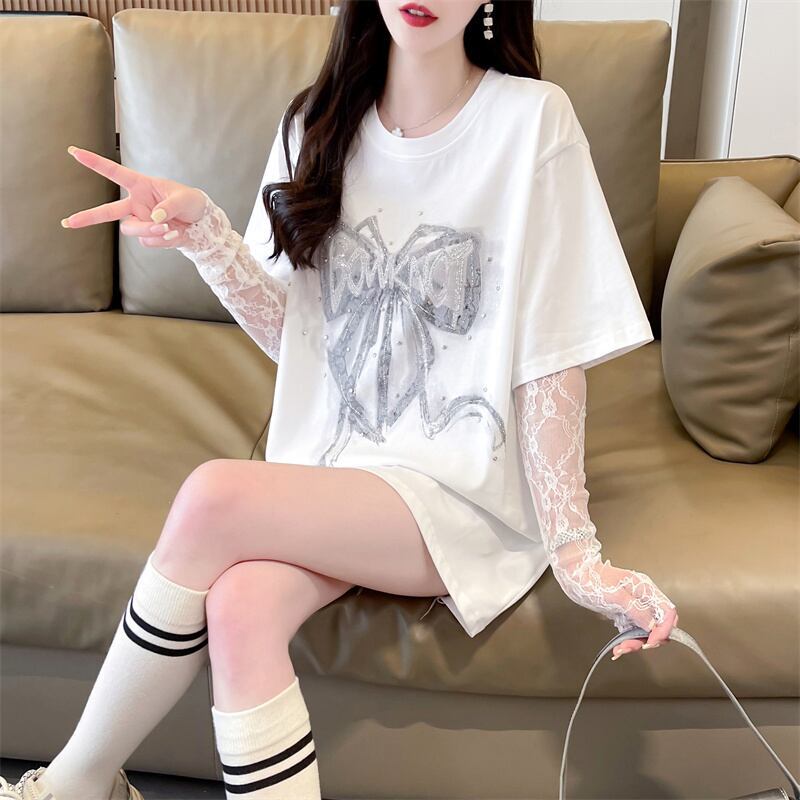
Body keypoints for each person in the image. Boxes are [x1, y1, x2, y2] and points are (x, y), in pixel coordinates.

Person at [0, 1, 679, 799]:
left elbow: (552, 353)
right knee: (241, 604)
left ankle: (72, 788)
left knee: (213, 494)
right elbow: (305, 342)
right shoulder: (314, 123)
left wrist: (575, 552)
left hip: (459, 490)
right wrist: (207, 237)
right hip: (336, 474)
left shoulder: (532, 121)